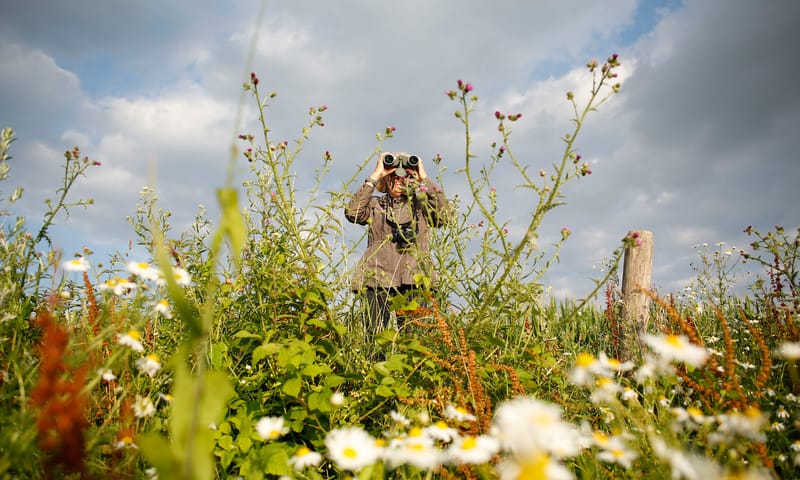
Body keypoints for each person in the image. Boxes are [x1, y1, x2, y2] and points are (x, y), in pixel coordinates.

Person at [344, 152, 449, 344]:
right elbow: (353, 213)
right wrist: (375, 176)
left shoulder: (422, 206)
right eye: (395, 176)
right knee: (375, 338)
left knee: (415, 341)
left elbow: (444, 217)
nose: (400, 181)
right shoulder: (375, 204)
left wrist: (424, 178)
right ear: (387, 179)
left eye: (406, 176)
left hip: (414, 279)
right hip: (377, 278)